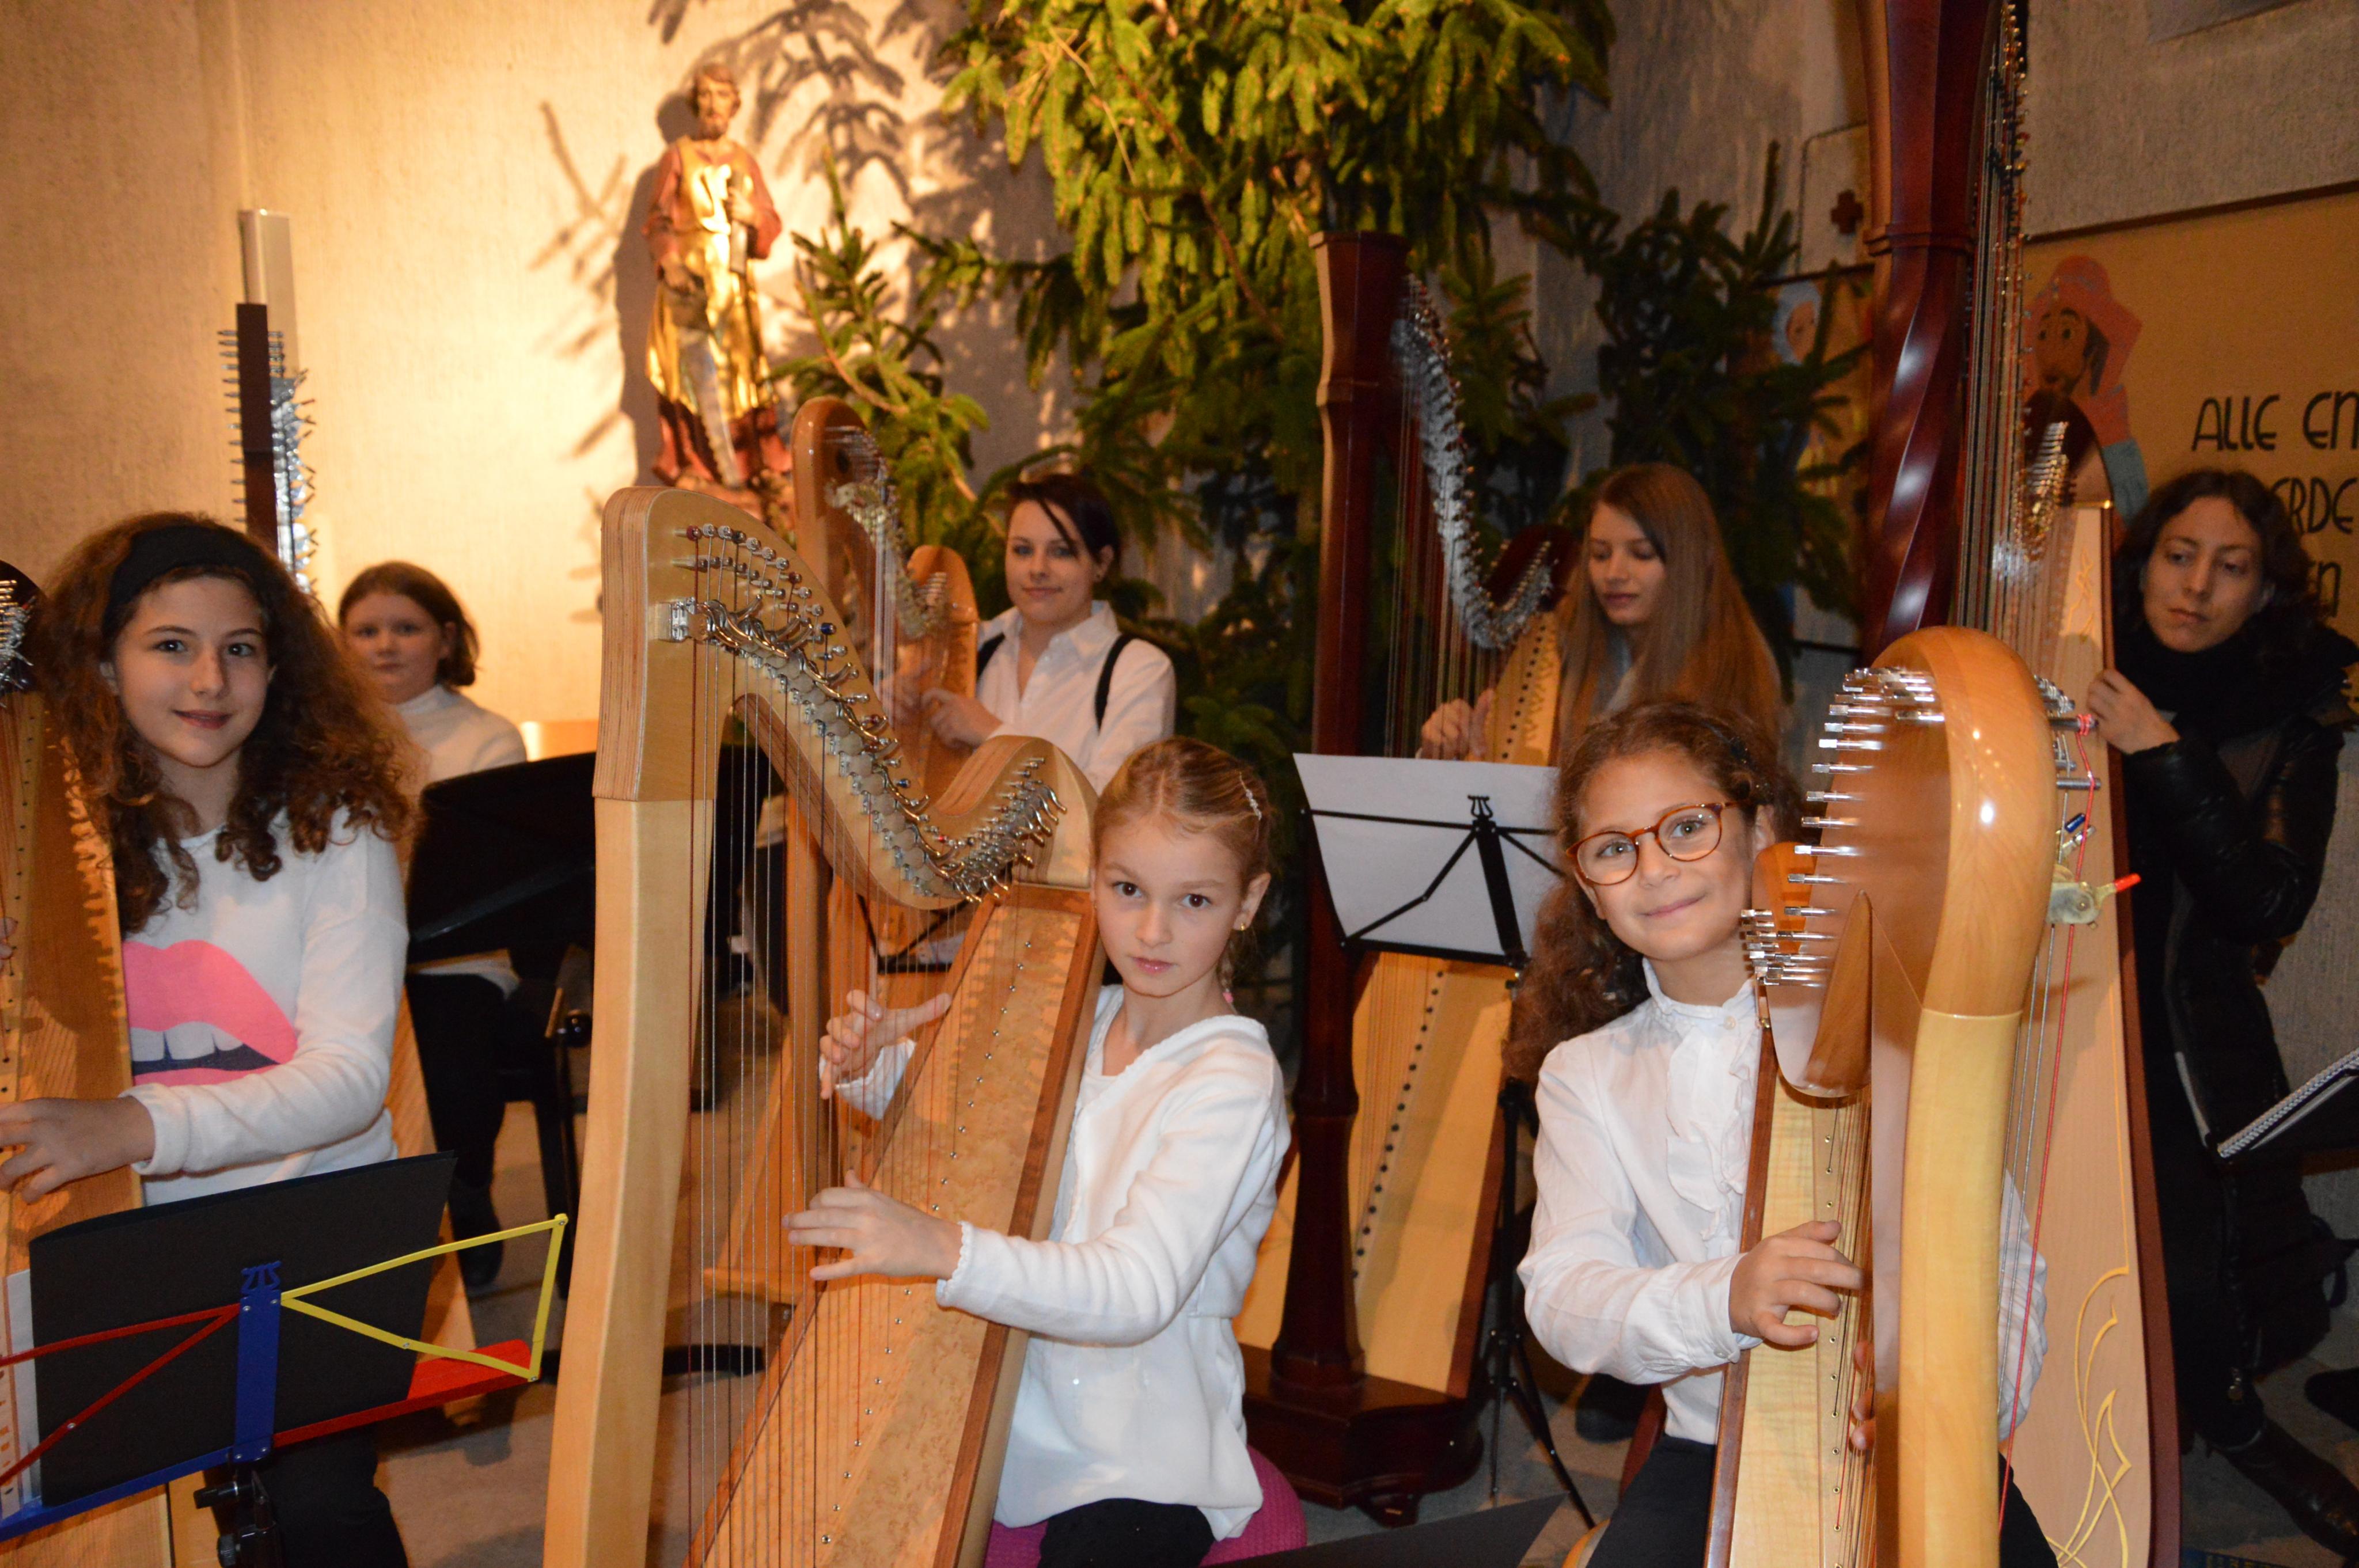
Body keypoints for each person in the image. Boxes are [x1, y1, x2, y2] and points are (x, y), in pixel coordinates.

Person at [1512, 702, 2054, 1568]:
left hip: (1914, 1435)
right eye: (1614, 848)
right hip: (1707, 1447)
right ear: (1588, 887)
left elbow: (2009, 1262)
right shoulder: (1587, 1074)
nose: (1654, 868)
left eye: (1686, 826)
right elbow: (1563, 1296)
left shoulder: (1889, 1025)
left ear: (1761, 827)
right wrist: (1725, 1295)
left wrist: (1953, 1403)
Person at [0, 514, 414, 1566]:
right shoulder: (46, 846)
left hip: (310, 1227)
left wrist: (132, 1125)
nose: (209, 679)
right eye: (171, 644)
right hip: (116, 1237)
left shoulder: (338, 826)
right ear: (102, 665)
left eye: (240, 647)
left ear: (279, 668)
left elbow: (348, 1081)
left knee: (319, 1509)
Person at [788, 737, 1285, 1568]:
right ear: (1093, 879)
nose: (1153, 929)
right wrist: (877, 1070)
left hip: (1141, 1451)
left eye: (1194, 899)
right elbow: (984, 1139)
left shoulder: (1231, 1080)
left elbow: (1135, 1289)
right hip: (1017, 1405)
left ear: (1247, 901)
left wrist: (940, 1245)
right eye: (1127, 889)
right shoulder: (1078, 1018)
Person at [2085, 468, 2359, 1551]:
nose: (2195, 586)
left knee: (2183, 1250)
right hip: (2052, 999)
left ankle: (2248, 1432)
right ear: (2140, 561)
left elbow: (2267, 902)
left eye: (2231, 566)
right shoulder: (2069, 657)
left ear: (2265, 590)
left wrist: (2162, 751)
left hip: (2182, 1026)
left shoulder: (2293, 708)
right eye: (2178, 554)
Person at [340, 561, 527, 1290]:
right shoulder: (322, 738)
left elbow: (479, 875)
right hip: (350, 951)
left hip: (453, 957)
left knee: (448, 1062)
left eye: (406, 628)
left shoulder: (488, 738)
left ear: (446, 640)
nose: (385, 645)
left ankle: (464, 1190)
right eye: (366, 631)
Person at [1418, 464, 1780, 764]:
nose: (1614, 574)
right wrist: (1452, 752)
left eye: (1641, 554)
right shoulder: (1565, 640)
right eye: (1601, 554)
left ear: (1692, 563)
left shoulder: (1736, 665)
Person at [919, 474, 1177, 793]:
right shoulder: (971, 647)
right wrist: (897, 706)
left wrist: (994, 736)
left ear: (1101, 563)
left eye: (1061, 552)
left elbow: (1112, 806)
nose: (1037, 569)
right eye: (1022, 550)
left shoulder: (1140, 671)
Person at [645, 62, 788, 509]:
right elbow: (657, 221)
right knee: (690, 376)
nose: (713, 104)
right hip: (688, 285)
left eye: (722, 95)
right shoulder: (678, 157)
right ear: (696, 103)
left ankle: (753, 467)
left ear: (734, 103)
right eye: (705, 94)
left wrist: (753, 217)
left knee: (743, 374)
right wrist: (671, 261)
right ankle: (697, 466)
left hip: (733, 286)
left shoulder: (744, 161)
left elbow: (770, 223)